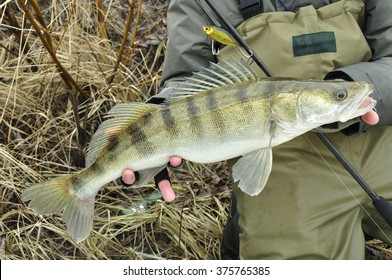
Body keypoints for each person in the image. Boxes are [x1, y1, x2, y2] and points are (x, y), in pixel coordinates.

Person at [122, 0, 392, 259]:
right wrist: (151, 131)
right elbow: (186, 81)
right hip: (282, 178)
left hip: (382, 141)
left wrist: (347, 89)